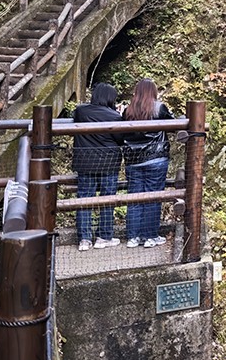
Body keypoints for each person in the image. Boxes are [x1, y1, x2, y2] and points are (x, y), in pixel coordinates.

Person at [122, 78, 174, 248]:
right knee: (153, 196)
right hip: (155, 158)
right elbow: (173, 124)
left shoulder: (128, 110)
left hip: (133, 160)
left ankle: (132, 237)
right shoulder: (159, 108)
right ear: (153, 91)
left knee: (135, 198)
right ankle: (150, 236)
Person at [72, 83, 124, 251]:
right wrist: (120, 115)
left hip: (85, 162)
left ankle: (84, 239)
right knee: (107, 199)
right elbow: (120, 139)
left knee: (84, 199)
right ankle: (104, 236)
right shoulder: (115, 117)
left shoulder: (81, 111)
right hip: (109, 163)